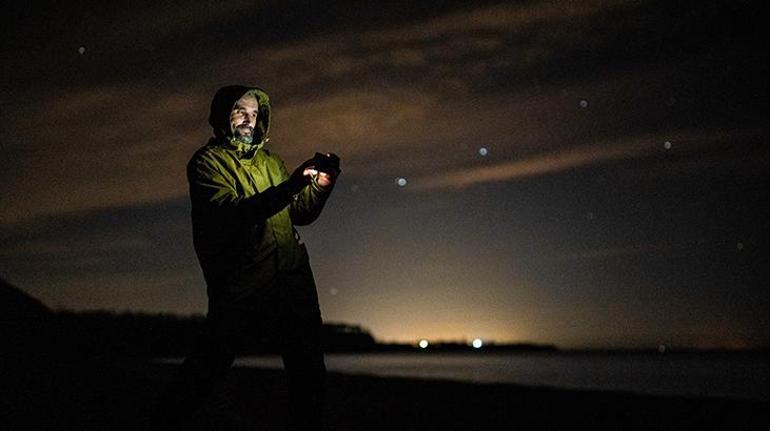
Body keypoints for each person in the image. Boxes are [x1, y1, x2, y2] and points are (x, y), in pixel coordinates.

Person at [149, 85, 340, 430]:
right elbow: (232, 213)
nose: (249, 120)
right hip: (242, 283)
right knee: (212, 362)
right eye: (241, 111)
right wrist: (292, 185)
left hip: (293, 282)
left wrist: (321, 185)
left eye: (255, 114)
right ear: (223, 114)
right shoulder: (207, 162)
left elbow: (299, 213)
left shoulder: (271, 162)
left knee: (308, 370)